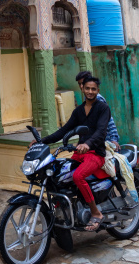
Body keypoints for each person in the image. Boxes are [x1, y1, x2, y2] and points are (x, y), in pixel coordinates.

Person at [34, 76, 111, 231]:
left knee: (78, 176)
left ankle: (96, 213)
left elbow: (100, 132)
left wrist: (87, 144)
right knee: (59, 177)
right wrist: (42, 141)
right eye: (87, 88)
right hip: (79, 153)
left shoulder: (103, 108)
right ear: (82, 88)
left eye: (93, 89)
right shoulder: (78, 111)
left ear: (98, 91)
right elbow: (64, 130)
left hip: (96, 153)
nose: (90, 91)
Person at [75, 71, 120, 150]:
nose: (81, 86)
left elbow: (109, 120)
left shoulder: (97, 99)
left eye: (83, 83)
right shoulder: (87, 100)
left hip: (105, 140)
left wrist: (114, 139)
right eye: (79, 84)